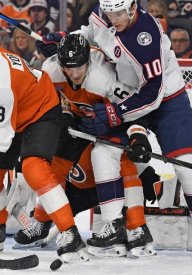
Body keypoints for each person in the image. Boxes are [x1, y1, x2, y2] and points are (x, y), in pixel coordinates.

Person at [49, 0, 192, 256]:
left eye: (119, 13)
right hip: (124, 96)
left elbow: (152, 94)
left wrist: (115, 113)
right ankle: (114, 225)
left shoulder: (145, 37)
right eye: (109, 12)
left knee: (186, 163)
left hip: (165, 100)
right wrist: (67, 39)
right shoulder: (104, 14)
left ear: (132, 7)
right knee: (103, 153)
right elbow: (90, 31)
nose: (113, 18)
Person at [0, 28, 88, 263]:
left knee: (33, 169)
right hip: (14, 109)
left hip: (40, 109)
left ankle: (70, 233)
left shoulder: (0, 85)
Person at [33, 33, 155, 257]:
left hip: (113, 119)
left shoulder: (103, 77)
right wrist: (64, 113)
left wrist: (138, 135)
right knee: (55, 161)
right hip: (80, 122)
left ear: (88, 61)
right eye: (69, 68)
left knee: (117, 157)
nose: (75, 73)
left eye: (80, 66)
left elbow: (135, 108)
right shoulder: (49, 70)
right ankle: (41, 221)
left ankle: (137, 228)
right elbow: (45, 101)